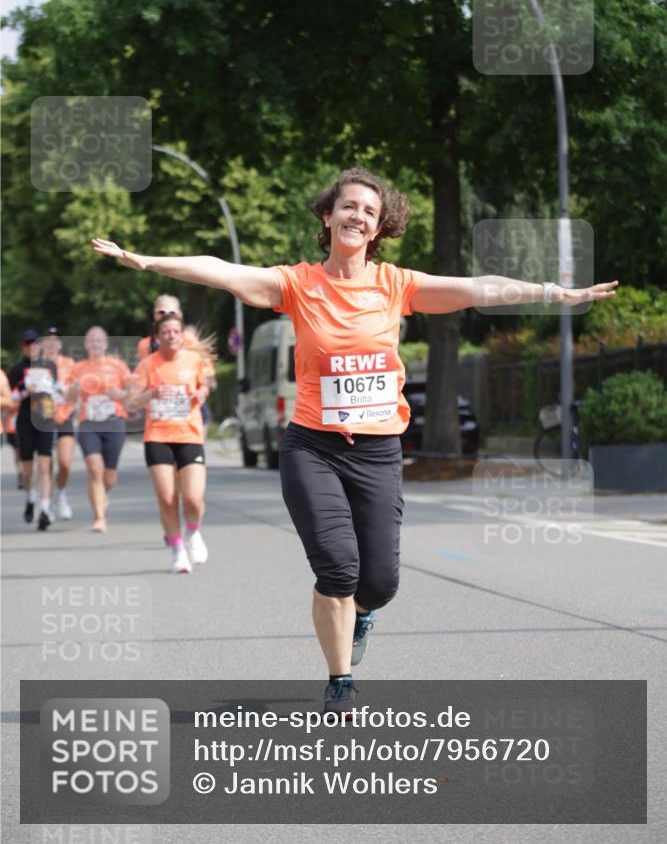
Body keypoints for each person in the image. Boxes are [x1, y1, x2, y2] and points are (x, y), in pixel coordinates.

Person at [92, 166, 618, 713]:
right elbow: (222, 271)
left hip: (377, 450)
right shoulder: (296, 284)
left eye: (369, 211)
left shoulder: (396, 286)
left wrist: (555, 292)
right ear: (328, 215)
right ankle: (340, 679)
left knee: (381, 583)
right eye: (349, 206)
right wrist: (148, 260)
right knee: (338, 570)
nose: (358, 216)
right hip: (312, 447)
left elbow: (479, 289)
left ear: (377, 228)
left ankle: (363, 615)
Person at [127, 314, 210, 573]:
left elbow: (205, 386)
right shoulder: (147, 366)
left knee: (193, 499)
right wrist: (151, 394)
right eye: (166, 332)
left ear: (182, 335)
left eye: (176, 331)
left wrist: (203, 392)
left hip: (189, 435)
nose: (172, 335)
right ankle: (177, 549)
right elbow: (130, 403)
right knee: (167, 498)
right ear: (158, 337)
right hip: (158, 436)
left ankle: (193, 533)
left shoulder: (194, 361)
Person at [67, 326, 134, 533]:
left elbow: (133, 391)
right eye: (90, 341)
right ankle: (99, 517)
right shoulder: (78, 368)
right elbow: (69, 399)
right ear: (86, 345)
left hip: (114, 422)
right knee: (94, 469)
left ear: (105, 344)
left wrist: (120, 394)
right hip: (89, 423)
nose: (94, 344)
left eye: (98, 341)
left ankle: (103, 495)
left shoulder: (118, 366)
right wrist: (74, 389)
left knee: (109, 476)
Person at [7, 329, 57, 530]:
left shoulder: (50, 366)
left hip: (45, 419)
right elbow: (10, 398)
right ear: (23, 346)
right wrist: (25, 391)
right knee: (28, 471)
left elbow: (58, 390)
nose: (32, 347)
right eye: (28, 344)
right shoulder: (17, 369)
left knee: (45, 465)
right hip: (25, 421)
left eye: (35, 343)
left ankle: (44, 509)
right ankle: (30, 498)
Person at [40, 328, 76, 520]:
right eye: (48, 340)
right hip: (44, 418)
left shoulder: (69, 364)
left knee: (65, 463)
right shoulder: (37, 365)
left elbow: (75, 391)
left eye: (55, 340)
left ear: (60, 344)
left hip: (65, 416)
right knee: (47, 465)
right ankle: (45, 505)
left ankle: (60, 494)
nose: (52, 343)